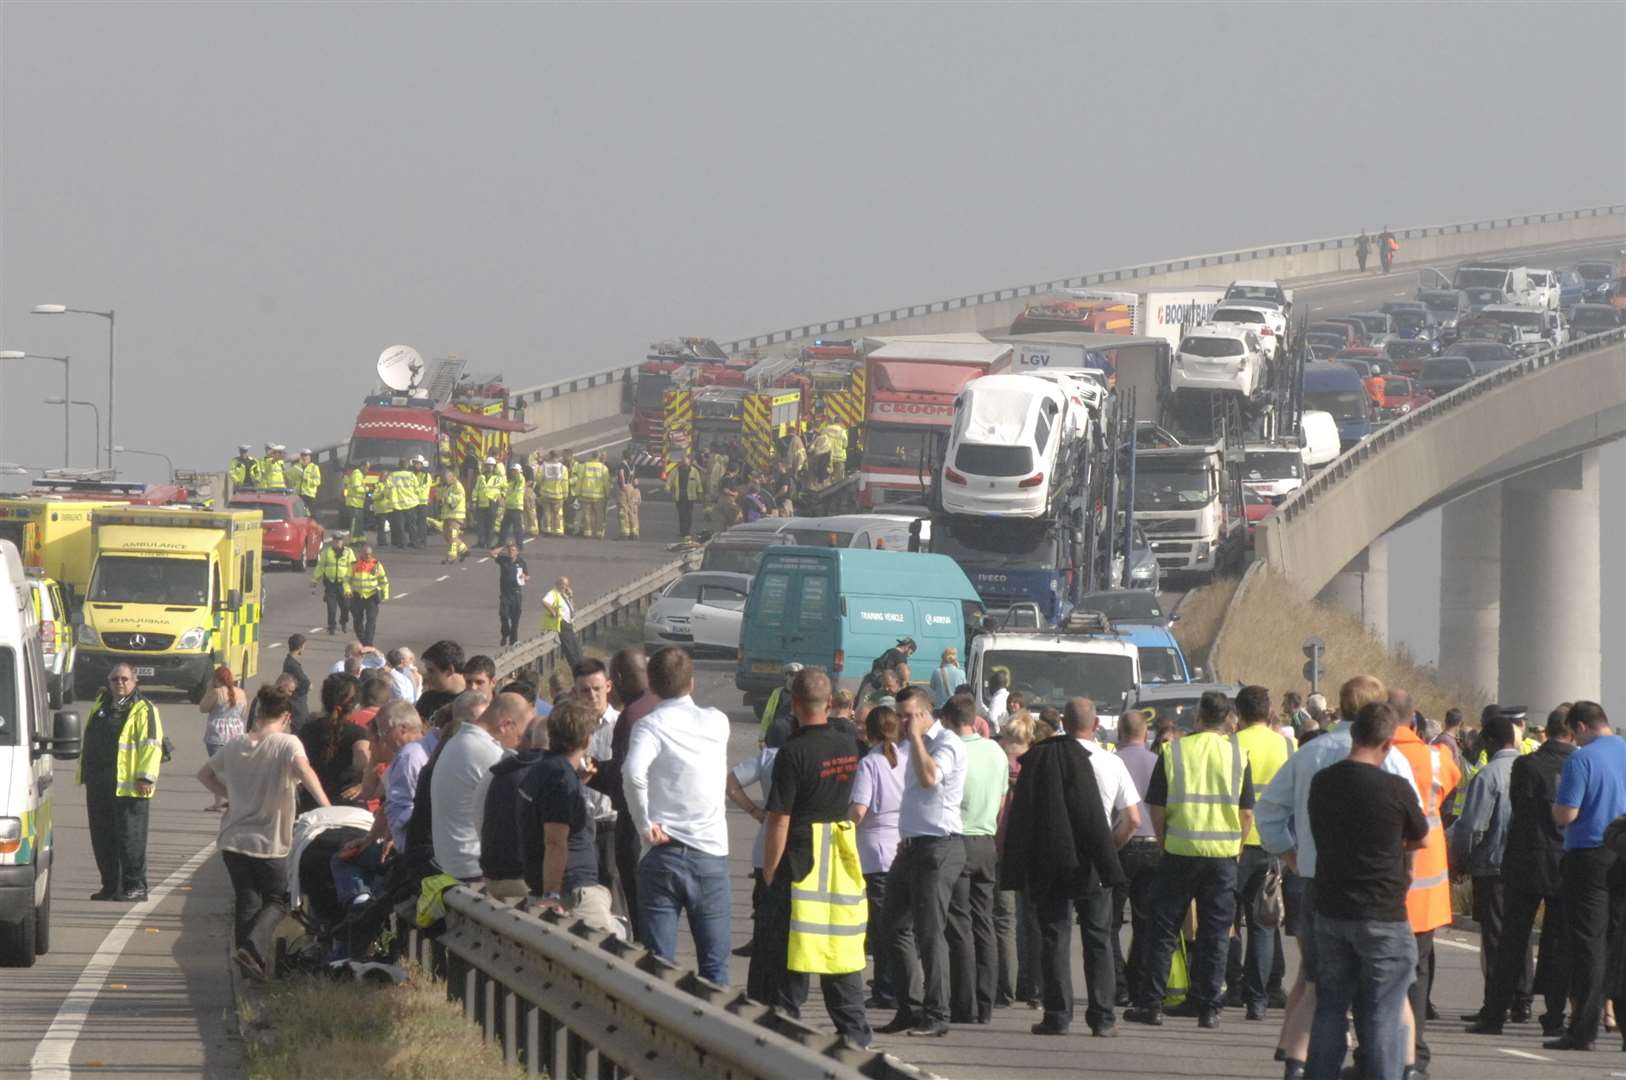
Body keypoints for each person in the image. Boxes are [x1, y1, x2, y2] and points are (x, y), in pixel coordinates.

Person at [1306, 702, 1428, 1080]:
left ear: (1353, 734)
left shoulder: (1323, 782)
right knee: (1382, 1012)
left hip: (1330, 908)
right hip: (1382, 912)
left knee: (1330, 1007)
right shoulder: (1395, 788)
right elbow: (1420, 839)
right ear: (1387, 743)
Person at [1126, 690, 1254, 1029]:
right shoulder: (1238, 756)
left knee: (1163, 929)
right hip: (1223, 857)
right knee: (1215, 933)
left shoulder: (1173, 752)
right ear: (1227, 719)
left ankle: (1151, 1003)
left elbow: (1157, 809)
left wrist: (1167, 841)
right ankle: (1208, 1006)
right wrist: (1236, 848)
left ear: (1198, 716)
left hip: (1180, 852)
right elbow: (1246, 814)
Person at [758, 668, 872, 1047]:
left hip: (800, 861)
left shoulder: (793, 753)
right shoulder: (847, 746)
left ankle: (786, 1040)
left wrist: (770, 874)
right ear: (830, 703)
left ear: (793, 703)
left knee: (792, 953)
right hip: (840, 860)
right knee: (841, 951)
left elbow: (779, 821)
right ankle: (855, 1036)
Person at [999, 697, 1125, 1038]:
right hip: (1095, 860)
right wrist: (1109, 854)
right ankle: (1102, 1016)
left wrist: (1014, 862)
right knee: (1097, 937)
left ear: (1063, 724)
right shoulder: (1110, 762)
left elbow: (1023, 814)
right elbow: (1132, 818)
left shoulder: (1041, 758)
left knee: (1055, 936)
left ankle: (1057, 1014)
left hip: (1052, 857)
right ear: (1095, 724)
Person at [197, 685, 331, 977]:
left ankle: (249, 967)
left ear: (258, 712)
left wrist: (230, 796)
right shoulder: (287, 743)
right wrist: (326, 806)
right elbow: (305, 770)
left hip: (233, 837)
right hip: (269, 839)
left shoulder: (235, 744)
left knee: (247, 900)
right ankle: (253, 949)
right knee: (278, 900)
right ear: (285, 716)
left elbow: (204, 774)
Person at [622, 647, 732, 983]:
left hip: (663, 852)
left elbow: (632, 773)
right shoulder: (718, 721)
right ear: (692, 683)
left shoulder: (649, 726)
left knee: (659, 966)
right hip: (710, 854)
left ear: (651, 686)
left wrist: (644, 826)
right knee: (715, 967)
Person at [1468, 704, 1575, 1037]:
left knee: (1511, 943)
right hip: (1562, 862)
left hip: (1525, 861)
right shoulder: (1576, 764)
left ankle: (1495, 1013)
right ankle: (1554, 1015)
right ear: (1572, 732)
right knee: (1556, 943)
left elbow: (1519, 811)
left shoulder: (1526, 765)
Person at [875, 686, 968, 1039]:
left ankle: (937, 1012)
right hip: (911, 845)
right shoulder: (910, 742)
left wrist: (914, 738)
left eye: (911, 715)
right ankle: (909, 1007)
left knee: (930, 933)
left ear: (927, 712)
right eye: (900, 716)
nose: (903, 722)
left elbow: (930, 779)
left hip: (939, 846)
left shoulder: (946, 743)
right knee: (892, 925)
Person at [1385, 687, 1460, 1076]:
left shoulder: (1377, 755)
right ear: (1413, 719)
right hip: (1427, 884)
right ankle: (1416, 1053)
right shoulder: (1436, 758)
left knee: (1379, 972)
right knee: (1418, 970)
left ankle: (1380, 1051)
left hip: (1384, 881)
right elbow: (1450, 783)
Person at [1547, 701, 1626, 1052]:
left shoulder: (1581, 759)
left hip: (1589, 854)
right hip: (1622, 853)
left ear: (1580, 727)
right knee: (1619, 942)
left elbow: (1568, 813)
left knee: (1589, 945)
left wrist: (1554, 806)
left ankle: (1584, 1029)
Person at [519, 698, 620, 932]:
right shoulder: (561, 781)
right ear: (586, 740)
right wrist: (552, 894)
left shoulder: (544, 769)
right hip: (573, 893)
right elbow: (555, 841)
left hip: (559, 886)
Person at [1231, 685, 1295, 1021]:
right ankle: (1258, 1000)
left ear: (1238, 714)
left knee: (1228, 922)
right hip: (1272, 845)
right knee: (1263, 924)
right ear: (1269, 710)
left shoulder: (1233, 745)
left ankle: (1231, 986)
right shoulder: (1286, 744)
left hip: (1235, 844)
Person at [1452, 713, 1520, 1029]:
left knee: (1494, 940)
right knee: (1517, 936)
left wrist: (1462, 861)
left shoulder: (1488, 776)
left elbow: (1472, 827)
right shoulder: (1529, 768)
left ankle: (1495, 1006)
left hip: (1492, 866)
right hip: (1523, 867)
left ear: (1491, 742)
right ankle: (1521, 1001)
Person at [945, 695, 1009, 1026]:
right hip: (986, 839)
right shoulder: (995, 751)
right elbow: (1001, 800)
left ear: (948, 720)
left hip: (959, 838)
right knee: (984, 921)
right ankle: (986, 1002)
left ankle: (963, 1002)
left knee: (959, 923)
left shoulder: (952, 751)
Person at [586, 647, 656, 937]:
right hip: (665, 825)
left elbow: (623, 778)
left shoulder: (630, 717)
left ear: (615, 679)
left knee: (639, 914)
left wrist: (591, 772)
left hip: (633, 826)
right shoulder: (659, 706)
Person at [79, 665, 164, 902]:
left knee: (130, 838)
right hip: (99, 782)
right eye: (114, 679)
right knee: (103, 837)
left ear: (134, 682)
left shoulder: (143, 709)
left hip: (130, 786)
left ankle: (135, 886)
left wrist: (146, 777)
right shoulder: (101, 704)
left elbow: (152, 745)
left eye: (124, 679)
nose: (119, 683)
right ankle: (110, 886)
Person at [431, 690, 527, 882]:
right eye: (520, 736)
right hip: (473, 868)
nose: (520, 744)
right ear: (506, 725)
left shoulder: (458, 741)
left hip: (452, 862)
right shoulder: (489, 752)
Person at [850, 704, 907, 1009]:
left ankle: (886, 989)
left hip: (874, 851)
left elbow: (859, 808)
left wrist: (843, 828)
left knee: (881, 927)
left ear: (870, 731)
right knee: (899, 925)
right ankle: (896, 983)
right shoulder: (906, 759)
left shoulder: (869, 764)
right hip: (901, 846)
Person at [1113, 708, 1162, 1010]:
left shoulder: (1112, 761)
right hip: (1154, 844)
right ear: (1147, 733)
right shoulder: (1158, 762)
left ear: (1119, 732)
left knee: (1110, 921)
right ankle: (1138, 982)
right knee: (1145, 922)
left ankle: (1117, 985)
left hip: (1120, 844)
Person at [477, 714, 548, 900]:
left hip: (493, 873)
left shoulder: (499, 771)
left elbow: (479, 819)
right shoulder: (543, 773)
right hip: (522, 879)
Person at [573, 659, 623, 910]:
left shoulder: (622, 726)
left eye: (597, 688)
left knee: (614, 886)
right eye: (584, 690)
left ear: (609, 686)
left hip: (612, 824)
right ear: (575, 692)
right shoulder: (571, 729)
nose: (591, 695)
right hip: (581, 825)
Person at [297, 673, 370, 810]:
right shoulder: (358, 733)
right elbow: (362, 759)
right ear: (354, 704)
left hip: (310, 803)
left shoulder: (307, 729)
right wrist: (362, 784)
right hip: (344, 806)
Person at [200, 665, 248, 811]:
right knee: (233, 769)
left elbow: (203, 708)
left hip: (217, 735)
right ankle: (230, 799)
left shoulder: (216, 692)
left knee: (216, 770)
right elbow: (243, 714)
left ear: (216, 679)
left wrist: (209, 689)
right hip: (236, 735)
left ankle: (222, 800)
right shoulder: (241, 693)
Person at [344, 542, 389, 647]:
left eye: (369, 554)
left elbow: (383, 580)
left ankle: (368, 643)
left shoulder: (376, 565)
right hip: (357, 596)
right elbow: (346, 580)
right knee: (357, 621)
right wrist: (347, 590)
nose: (368, 556)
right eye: (365, 554)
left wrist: (385, 594)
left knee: (371, 620)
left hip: (371, 596)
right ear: (361, 554)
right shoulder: (354, 565)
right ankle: (363, 640)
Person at [311, 533, 355, 634]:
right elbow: (320, 567)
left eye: (339, 540)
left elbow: (353, 568)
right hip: (330, 584)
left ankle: (343, 621)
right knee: (331, 608)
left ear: (342, 541)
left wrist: (351, 581)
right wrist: (315, 580)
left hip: (344, 585)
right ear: (332, 541)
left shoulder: (348, 552)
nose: (337, 542)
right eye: (335, 540)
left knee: (346, 607)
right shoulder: (327, 552)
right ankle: (332, 627)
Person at [415, 640, 467, 722]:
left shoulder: (473, 704)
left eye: (431, 671)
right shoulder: (427, 699)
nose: (427, 677)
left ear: (450, 670)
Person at [492, 542, 529, 647]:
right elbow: (492, 553)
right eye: (509, 550)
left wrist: (524, 577)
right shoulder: (503, 560)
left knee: (515, 618)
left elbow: (527, 576)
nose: (510, 552)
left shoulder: (521, 562)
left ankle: (513, 641)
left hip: (516, 594)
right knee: (503, 615)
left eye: (513, 550)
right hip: (505, 594)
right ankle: (505, 633)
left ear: (517, 552)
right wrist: (503, 546)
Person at [541, 576, 582, 670]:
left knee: (577, 648)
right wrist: (553, 612)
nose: (565, 587)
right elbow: (544, 602)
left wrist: (571, 596)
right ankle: (576, 668)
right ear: (557, 584)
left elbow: (572, 608)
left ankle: (580, 665)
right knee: (570, 650)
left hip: (570, 623)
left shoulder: (564, 595)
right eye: (563, 584)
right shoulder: (553, 593)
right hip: (562, 624)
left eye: (567, 585)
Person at [666, 454, 705, 541]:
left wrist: (700, 492)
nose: (684, 464)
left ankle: (687, 531)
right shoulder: (675, 471)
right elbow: (669, 481)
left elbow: (698, 482)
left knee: (689, 514)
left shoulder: (694, 471)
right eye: (683, 462)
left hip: (690, 496)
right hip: (679, 495)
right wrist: (668, 488)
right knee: (681, 514)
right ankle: (682, 531)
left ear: (689, 462)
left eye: (686, 462)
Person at [383, 461, 420, 549]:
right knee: (412, 524)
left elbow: (387, 489)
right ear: (407, 466)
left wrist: (389, 497)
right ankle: (414, 542)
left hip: (398, 505)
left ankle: (402, 543)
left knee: (400, 525)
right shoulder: (411, 475)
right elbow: (417, 489)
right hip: (410, 503)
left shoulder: (392, 475)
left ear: (399, 466)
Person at [473, 456, 506, 549]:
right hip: (481, 503)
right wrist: (474, 500)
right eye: (488, 465)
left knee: (490, 524)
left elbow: (505, 487)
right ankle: (481, 542)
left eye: (491, 466)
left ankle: (489, 543)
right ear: (485, 466)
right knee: (480, 525)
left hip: (492, 503)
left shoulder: (498, 478)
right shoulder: (481, 477)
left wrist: (502, 495)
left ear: (494, 467)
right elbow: (476, 489)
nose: (489, 467)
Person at [438, 467, 469, 563]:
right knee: (446, 536)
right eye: (443, 477)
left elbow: (459, 496)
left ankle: (452, 556)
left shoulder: (457, 485)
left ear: (451, 476)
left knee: (452, 535)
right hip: (448, 515)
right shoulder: (445, 486)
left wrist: (447, 499)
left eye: (445, 477)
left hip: (456, 516)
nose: (443, 479)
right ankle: (464, 550)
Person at [578, 451, 610, 539]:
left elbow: (579, 480)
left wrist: (578, 493)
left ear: (591, 456)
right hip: (599, 496)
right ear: (599, 457)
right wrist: (607, 494)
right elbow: (606, 483)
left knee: (587, 514)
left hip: (585, 495)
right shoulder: (603, 468)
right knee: (599, 515)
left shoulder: (584, 466)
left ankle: (587, 532)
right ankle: (599, 533)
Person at [282, 634, 312, 723]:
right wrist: (308, 685)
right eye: (304, 646)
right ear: (300, 647)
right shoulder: (292, 664)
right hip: (297, 702)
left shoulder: (289, 661)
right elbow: (306, 682)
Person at [539, 451, 569, 537]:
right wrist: (565, 494)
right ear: (557, 457)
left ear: (550, 456)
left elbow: (538, 479)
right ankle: (557, 530)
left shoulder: (544, 467)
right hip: (558, 495)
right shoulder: (563, 468)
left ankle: (547, 530)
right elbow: (565, 483)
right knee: (557, 513)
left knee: (546, 512)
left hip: (546, 494)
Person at [614, 452, 641, 540]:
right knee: (632, 511)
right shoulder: (632, 466)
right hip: (632, 488)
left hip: (624, 489)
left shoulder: (622, 465)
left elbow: (621, 475)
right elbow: (636, 481)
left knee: (623, 511)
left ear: (623, 456)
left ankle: (624, 533)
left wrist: (622, 486)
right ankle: (634, 533)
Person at [500, 463, 527, 545]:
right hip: (509, 508)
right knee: (504, 527)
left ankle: (519, 545)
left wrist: (518, 472)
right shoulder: (511, 483)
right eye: (512, 470)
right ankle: (500, 543)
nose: (513, 472)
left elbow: (519, 477)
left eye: (515, 471)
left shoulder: (520, 480)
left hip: (516, 508)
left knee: (517, 528)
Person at [343, 461, 369, 537]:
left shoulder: (360, 475)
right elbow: (356, 488)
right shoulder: (357, 474)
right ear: (362, 466)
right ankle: (353, 540)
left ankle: (358, 540)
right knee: (354, 524)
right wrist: (366, 489)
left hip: (358, 503)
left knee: (359, 524)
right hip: (354, 503)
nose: (367, 470)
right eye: (367, 468)